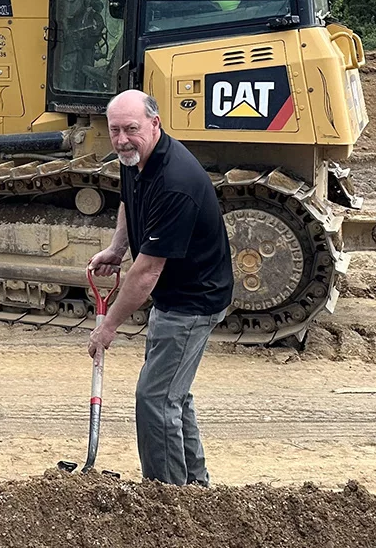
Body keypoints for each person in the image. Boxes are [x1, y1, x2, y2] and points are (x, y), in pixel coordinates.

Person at [87, 89, 233, 487]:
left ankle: (166, 496)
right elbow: (128, 200)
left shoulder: (174, 181)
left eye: (131, 129)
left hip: (192, 301)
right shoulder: (135, 158)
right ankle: (195, 487)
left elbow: (147, 272)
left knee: (154, 399)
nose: (121, 139)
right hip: (176, 295)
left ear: (155, 124)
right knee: (172, 394)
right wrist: (118, 247)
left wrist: (108, 326)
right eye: (114, 130)